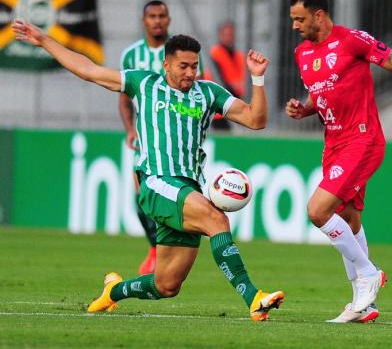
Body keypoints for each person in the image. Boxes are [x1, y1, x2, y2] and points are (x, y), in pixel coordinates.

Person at [13, 20, 285, 321]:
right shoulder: (145, 84)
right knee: (215, 218)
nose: (190, 73)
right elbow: (89, 70)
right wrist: (44, 40)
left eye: (194, 66)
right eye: (183, 66)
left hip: (188, 188)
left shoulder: (208, 93)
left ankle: (113, 292)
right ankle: (254, 298)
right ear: (166, 64)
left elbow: (255, 119)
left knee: (166, 285)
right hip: (156, 183)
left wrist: (257, 80)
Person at [286, 0, 392, 323]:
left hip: (363, 140)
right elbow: (323, 91)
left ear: (319, 14)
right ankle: (366, 304)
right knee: (347, 216)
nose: (295, 26)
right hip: (333, 143)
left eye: (299, 19)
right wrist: (304, 110)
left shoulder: (352, 40)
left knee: (318, 211)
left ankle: (368, 274)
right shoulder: (302, 53)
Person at [119, 0, 204, 274]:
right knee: (141, 193)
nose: (157, 21)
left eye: (162, 16)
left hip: (175, 132)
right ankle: (155, 248)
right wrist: (130, 129)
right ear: (144, 21)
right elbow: (124, 97)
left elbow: (197, 85)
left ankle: (162, 250)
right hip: (145, 135)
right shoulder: (131, 55)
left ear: (168, 20)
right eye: (152, 16)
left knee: (169, 191)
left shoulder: (181, 53)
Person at [209, 22, 246, 130]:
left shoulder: (238, 55)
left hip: (234, 100)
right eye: (226, 35)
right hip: (219, 101)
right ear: (220, 35)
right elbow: (218, 78)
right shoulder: (216, 53)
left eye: (231, 35)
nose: (228, 38)